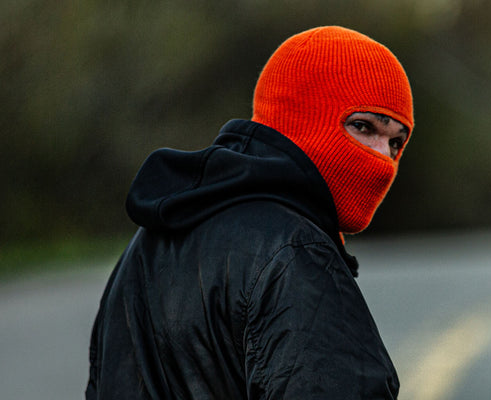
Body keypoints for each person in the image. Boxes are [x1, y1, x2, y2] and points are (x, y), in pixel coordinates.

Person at [86, 25, 414, 399]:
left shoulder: (147, 242)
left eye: (396, 141)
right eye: (363, 126)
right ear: (299, 117)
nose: (383, 157)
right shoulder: (295, 253)